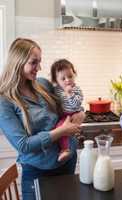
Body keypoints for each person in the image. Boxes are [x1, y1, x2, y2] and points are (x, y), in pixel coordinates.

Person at [0, 38, 82, 200]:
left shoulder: (43, 84)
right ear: (18, 62)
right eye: (34, 62)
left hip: (67, 162)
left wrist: (80, 114)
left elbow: (67, 106)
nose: (39, 68)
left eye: (40, 62)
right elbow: (24, 145)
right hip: (37, 172)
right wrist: (61, 131)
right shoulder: (4, 101)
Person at [50, 59, 84, 162]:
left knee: (61, 128)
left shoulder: (76, 90)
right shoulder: (57, 90)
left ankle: (65, 150)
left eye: (70, 76)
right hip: (62, 114)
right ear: (56, 81)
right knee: (59, 128)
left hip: (72, 113)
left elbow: (76, 105)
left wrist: (70, 94)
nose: (67, 80)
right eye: (63, 78)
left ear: (74, 75)